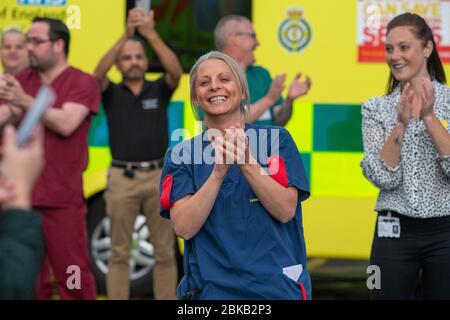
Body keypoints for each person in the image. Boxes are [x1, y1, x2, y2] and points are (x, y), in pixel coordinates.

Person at [160, 51, 311, 299]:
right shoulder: (181, 155)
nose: (214, 86)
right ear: (196, 98)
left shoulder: (276, 140)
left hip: (274, 290)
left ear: (242, 92)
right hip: (210, 292)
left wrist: (247, 164)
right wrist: (217, 174)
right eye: (204, 82)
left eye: (224, 79)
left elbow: (285, 210)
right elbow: (184, 227)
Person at [0, 17, 99, 299]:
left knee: (73, 276)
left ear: (58, 45)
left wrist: (23, 102)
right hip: (19, 201)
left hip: (61, 201)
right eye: (27, 41)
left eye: (35, 41)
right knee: (27, 280)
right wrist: (11, 110)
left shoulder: (82, 81)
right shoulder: (19, 82)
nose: (27, 48)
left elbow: (67, 122)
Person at [94, 8, 182, 300]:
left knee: (165, 252)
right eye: (127, 58)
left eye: (138, 56)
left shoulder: (158, 89)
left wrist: (149, 34)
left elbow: (174, 71)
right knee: (118, 253)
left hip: (158, 175)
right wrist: (127, 36)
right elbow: (97, 74)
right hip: (122, 176)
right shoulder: (111, 92)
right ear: (120, 63)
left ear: (146, 62)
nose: (133, 61)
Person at [361, 13, 450, 299]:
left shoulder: (448, 101)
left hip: (445, 229)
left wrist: (427, 116)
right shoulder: (375, 108)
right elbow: (382, 177)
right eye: (389, 48)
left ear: (427, 48)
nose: (394, 56)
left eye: (403, 47)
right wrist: (400, 123)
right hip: (392, 230)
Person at [214, 15, 312, 126]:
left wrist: (289, 100)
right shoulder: (212, 76)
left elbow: (279, 120)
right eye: (253, 36)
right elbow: (228, 122)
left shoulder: (261, 74)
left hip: (268, 143)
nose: (258, 43)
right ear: (235, 39)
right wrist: (268, 99)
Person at [0, 125, 44, 299]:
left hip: (64, 200)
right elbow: (13, 282)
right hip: (23, 207)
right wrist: (19, 195)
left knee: (73, 269)